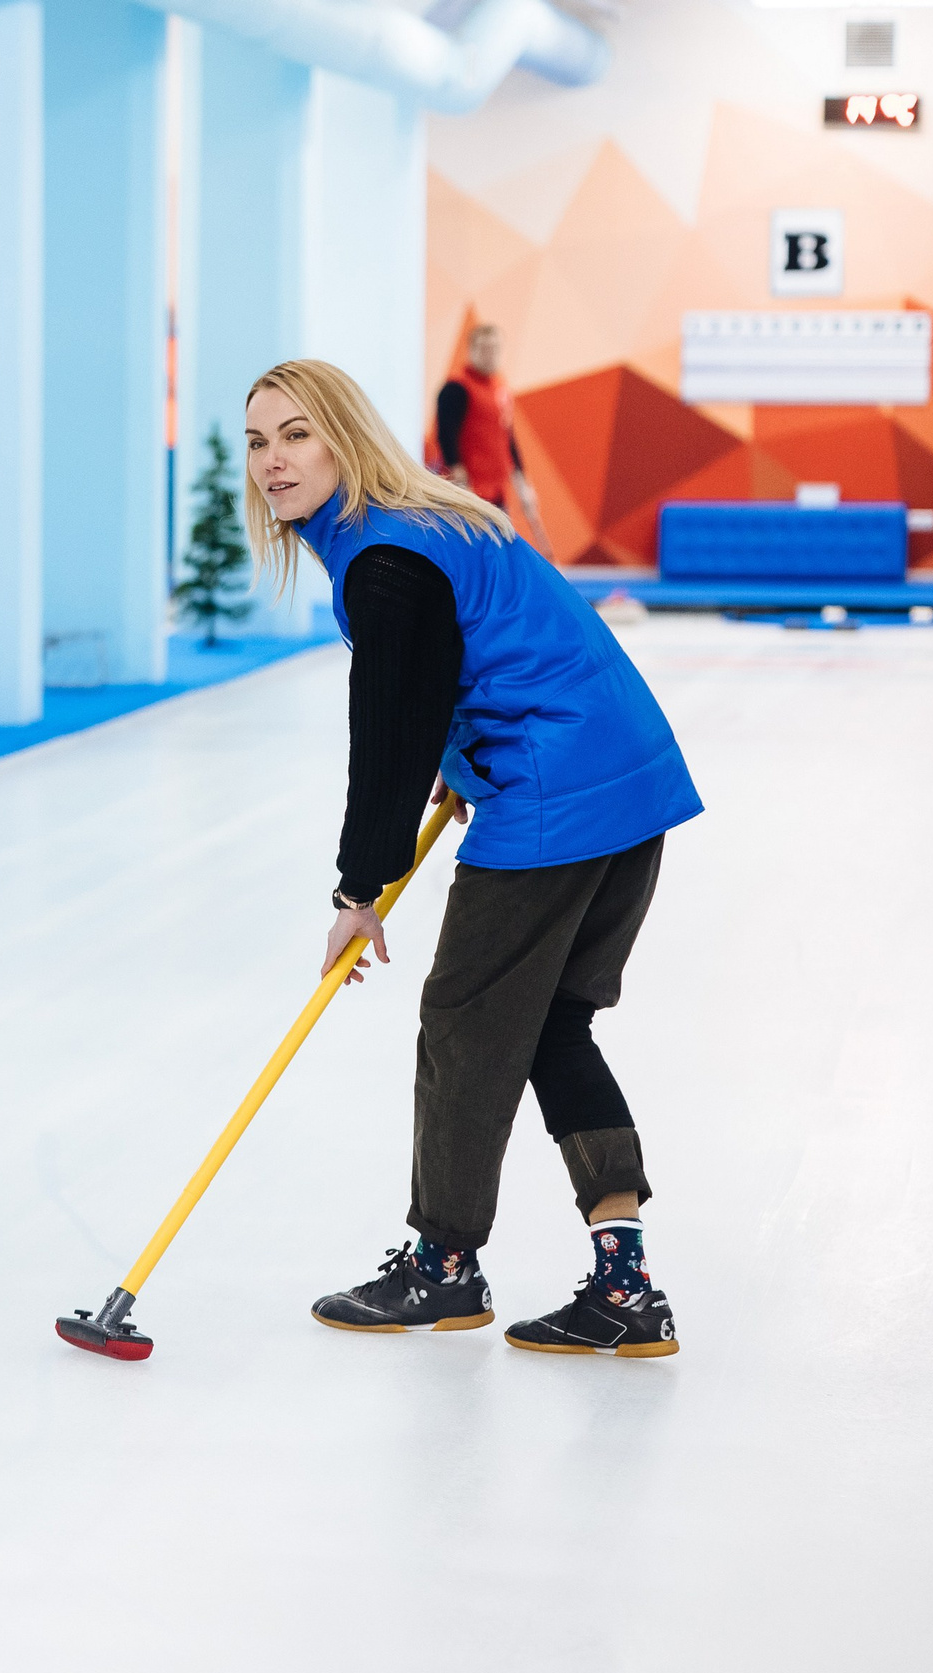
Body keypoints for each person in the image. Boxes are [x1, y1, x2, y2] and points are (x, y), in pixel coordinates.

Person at [240, 359, 702, 1358]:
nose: (272, 462)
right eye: (256, 440)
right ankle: (624, 1286)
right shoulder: (433, 521)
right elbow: (496, 648)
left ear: (344, 439)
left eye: (296, 436)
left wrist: (358, 888)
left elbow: (392, 730)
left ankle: (442, 1267)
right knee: (550, 1028)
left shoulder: (383, 557)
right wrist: (469, 758)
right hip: (626, 775)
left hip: (558, 792)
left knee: (463, 1024)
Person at [432, 324, 545, 545]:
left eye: (494, 348)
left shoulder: (499, 387)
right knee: (471, 550)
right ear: (471, 350)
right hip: (470, 491)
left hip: (497, 490)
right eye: (483, 348)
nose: (489, 354)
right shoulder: (456, 388)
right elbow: (446, 434)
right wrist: (458, 479)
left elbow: (507, 437)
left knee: (500, 548)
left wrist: (522, 481)